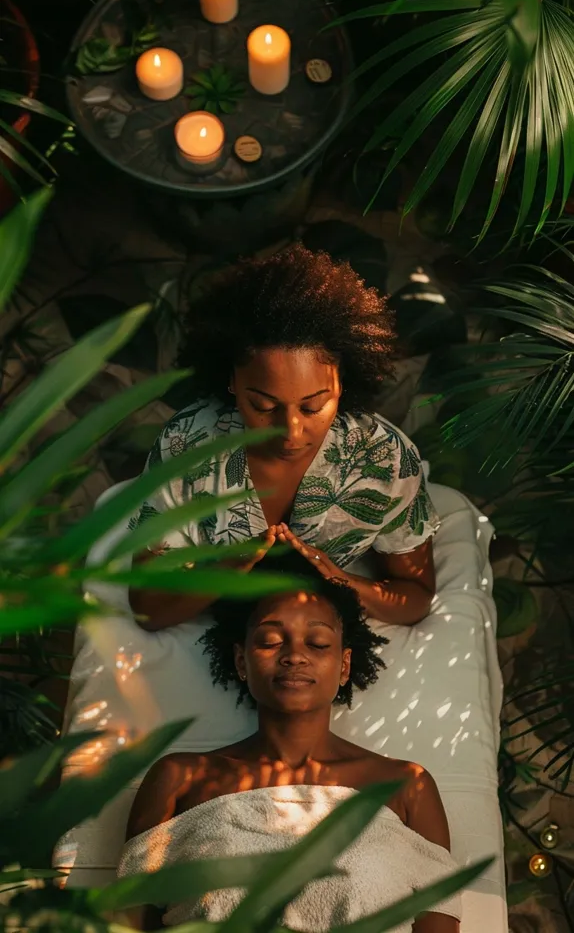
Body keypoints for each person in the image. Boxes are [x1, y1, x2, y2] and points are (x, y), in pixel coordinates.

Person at [119, 556, 461, 932]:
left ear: (344, 666)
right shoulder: (179, 779)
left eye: (317, 643)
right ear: (241, 661)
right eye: (270, 641)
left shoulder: (405, 786)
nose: (294, 656)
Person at [129, 244, 439, 633]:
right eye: (262, 404)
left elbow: (414, 596)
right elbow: (147, 607)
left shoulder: (384, 458)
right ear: (231, 382)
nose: (290, 431)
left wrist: (340, 582)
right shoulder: (186, 447)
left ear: (343, 383)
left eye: (313, 407)